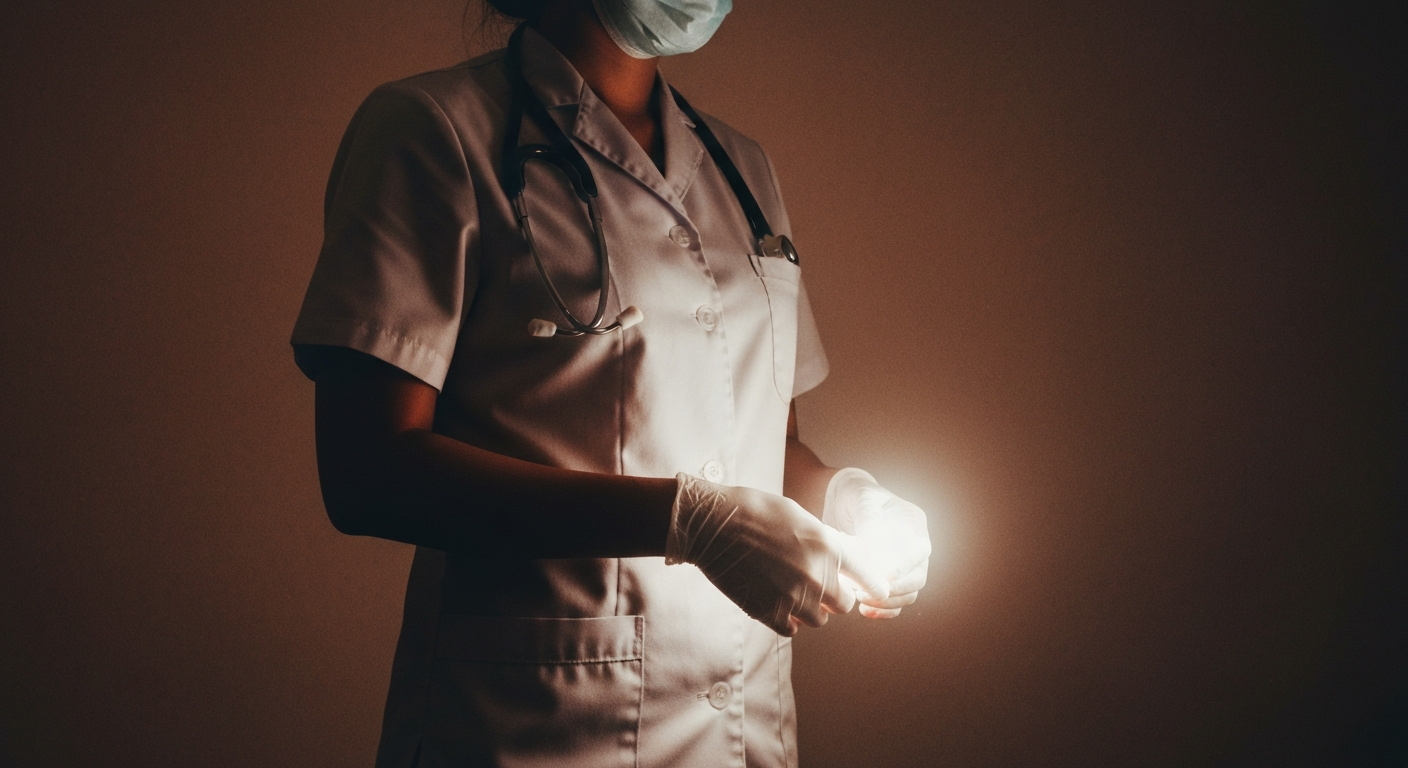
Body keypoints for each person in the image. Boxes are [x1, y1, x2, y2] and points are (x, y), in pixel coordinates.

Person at [290, 0, 931, 765]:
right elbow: (370, 473)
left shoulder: (740, 167)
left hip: (740, 726)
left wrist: (840, 496)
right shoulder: (432, 130)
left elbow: (766, 441)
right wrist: (685, 520)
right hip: (536, 723)